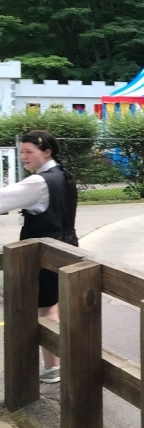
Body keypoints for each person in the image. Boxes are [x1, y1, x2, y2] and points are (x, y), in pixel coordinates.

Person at [0, 130, 79, 383]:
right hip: (67, 245)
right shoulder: (64, 176)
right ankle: (58, 363)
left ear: (47, 152)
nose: (24, 157)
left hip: (45, 250)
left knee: (45, 307)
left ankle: (54, 367)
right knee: (53, 304)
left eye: (29, 152)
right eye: (22, 151)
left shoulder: (38, 182)